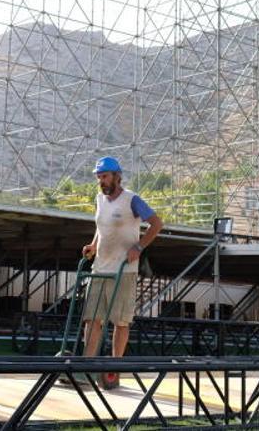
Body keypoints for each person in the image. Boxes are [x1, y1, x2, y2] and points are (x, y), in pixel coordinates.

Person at [80, 156, 162, 390]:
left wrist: (139, 247)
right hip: (100, 267)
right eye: (98, 178)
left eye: (104, 177)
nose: (101, 182)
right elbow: (100, 227)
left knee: (120, 320)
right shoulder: (99, 199)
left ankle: (115, 367)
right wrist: (93, 245)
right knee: (91, 317)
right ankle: (86, 366)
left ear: (116, 176)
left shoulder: (131, 200)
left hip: (124, 269)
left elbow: (156, 224)